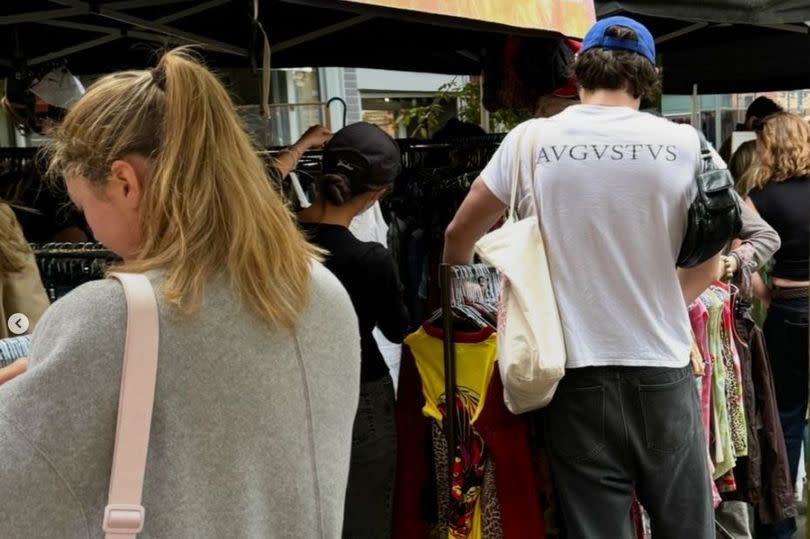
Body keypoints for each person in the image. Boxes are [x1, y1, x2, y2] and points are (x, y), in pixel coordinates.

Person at [0, 48, 362, 538]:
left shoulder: (110, 316)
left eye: (85, 206)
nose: (88, 227)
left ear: (125, 182)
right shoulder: (322, 292)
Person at [443, 17, 722, 538]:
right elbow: (710, 262)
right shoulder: (689, 146)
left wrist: (457, 302)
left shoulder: (530, 140)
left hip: (573, 375)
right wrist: (659, 298)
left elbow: (459, 233)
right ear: (649, 75)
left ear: (579, 69)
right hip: (662, 370)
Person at [297, 121, 408, 539]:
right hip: (358, 393)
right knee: (362, 517)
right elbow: (397, 330)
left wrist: (298, 147)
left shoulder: (269, 239)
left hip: (289, 392)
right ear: (375, 194)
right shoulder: (370, 260)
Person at [747, 112, 809, 539]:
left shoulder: (759, 196)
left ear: (769, 147)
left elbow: (744, 258)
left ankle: (780, 528)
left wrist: (766, 296)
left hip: (787, 311)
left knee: (783, 419)